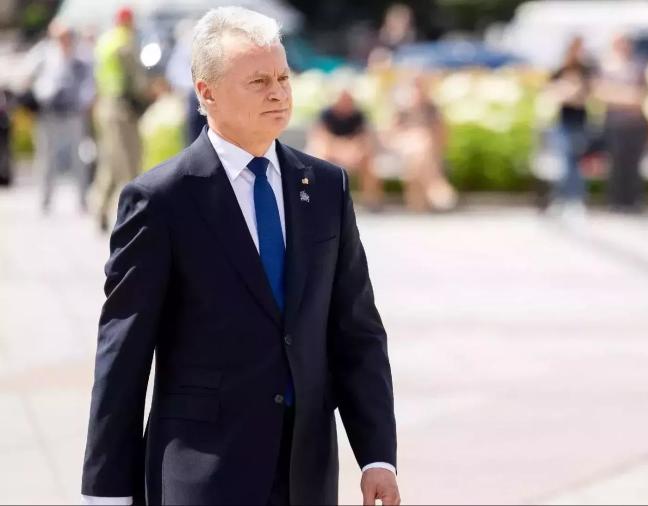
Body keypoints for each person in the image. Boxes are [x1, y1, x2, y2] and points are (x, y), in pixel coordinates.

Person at [80, 7, 399, 506]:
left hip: (306, 475)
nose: (278, 93)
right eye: (258, 81)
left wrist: (377, 455)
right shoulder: (161, 199)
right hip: (203, 473)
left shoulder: (325, 187)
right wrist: (107, 491)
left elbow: (356, 330)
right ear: (206, 93)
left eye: (283, 78)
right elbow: (123, 351)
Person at [91, 6, 148, 231]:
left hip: (105, 106)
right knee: (129, 162)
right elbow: (136, 80)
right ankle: (134, 215)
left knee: (111, 160)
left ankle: (100, 208)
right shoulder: (124, 43)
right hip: (122, 109)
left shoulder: (106, 40)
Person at [30, 21, 94, 212]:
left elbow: (88, 84)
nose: (63, 41)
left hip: (72, 113)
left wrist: (83, 103)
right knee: (46, 158)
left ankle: (82, 199)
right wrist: (42, 92)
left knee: (79, 157)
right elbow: (30, 76)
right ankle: (45, 199)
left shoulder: (81, 57)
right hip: (49, 113)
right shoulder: (44, 54)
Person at [596, 33, 648, 213]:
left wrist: (622, 95)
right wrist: (627, 97)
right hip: (615, 123)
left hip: (636, 123)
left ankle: (633, 200)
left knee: (634, 164)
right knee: (616, 164)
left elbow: (643, 93)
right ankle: (616, 200)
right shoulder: (606, 65)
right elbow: (602, 92)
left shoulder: (639, 64)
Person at [387, 75, 457, 212]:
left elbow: (442, 135)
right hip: (404, 148)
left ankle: (420, 205)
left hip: (425, 152)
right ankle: (436, 186)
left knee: (418, 155)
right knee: (419, 143)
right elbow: (391, 134)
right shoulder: (402, 110)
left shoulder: (433, 110)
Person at [307, 89, 383, 209]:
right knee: (320, 160)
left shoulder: (358, 116)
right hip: (330, 152)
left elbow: (365, 139)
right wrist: (341, 150)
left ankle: (371, 201)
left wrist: (353, 151)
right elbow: (320, 139)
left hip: (353, 153)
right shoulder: (326, 115)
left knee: (368, 162)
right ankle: (321, 202)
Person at [547, 36, 593, 217]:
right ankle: (567, 199)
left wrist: (569, 92)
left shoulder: (585, 70)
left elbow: (582, 97)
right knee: (566, 163)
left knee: (573, 163)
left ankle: (571, 199)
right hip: (563, 122)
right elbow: (552, 94)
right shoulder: (560, 70)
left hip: (580, 122)